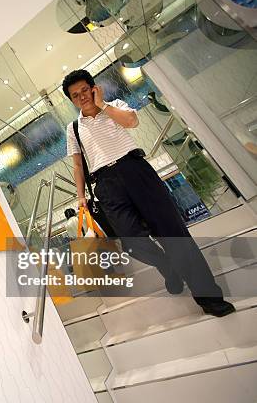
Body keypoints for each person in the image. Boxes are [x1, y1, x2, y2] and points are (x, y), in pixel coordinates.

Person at [62, 69, 235, 317]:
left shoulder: (115, 105)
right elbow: (78, 165)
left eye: (84, 91)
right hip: (105, 185)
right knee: (133, 243)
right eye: (75, 95)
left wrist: (103, 105)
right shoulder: (74, 128)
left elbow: (132, 122)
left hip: (135, 170)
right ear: (71, 100)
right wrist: (80, 196)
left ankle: (209, 297)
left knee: (173, 233)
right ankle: (168, 267)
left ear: (93, 88)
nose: (81, 97)